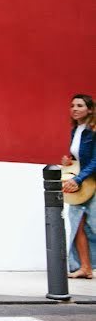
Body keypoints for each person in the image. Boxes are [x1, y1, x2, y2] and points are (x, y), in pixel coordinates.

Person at [61, 94, 96, 279]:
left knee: (94, 225)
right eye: (72, 105)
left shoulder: (93, 131)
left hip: (90, 182)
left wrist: (78, 179)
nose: (74, 108)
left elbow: (95, 160)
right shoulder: (76, 130)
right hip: (82, 183)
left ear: (90, 109)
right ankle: (85, 267)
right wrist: (69, 161)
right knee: (78, 224)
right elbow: (80, 157)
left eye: (80, 105)